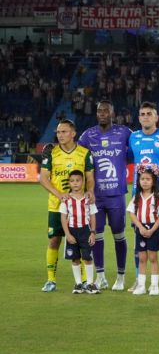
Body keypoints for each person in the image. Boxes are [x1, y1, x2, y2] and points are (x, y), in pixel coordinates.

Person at [78, 100, 132, 291]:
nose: (102, 114)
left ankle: (121, 276)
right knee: (96, 235)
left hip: (116, 194)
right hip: (95, 196)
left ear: (112, 113)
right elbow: (78, 157)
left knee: (119, 235)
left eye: (106, 111)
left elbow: (134, 154)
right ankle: (100, 276)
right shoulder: (87, 135)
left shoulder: (124, 132)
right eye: (99, 111)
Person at [39, 120, 94, 292]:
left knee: (82, 242)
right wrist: (60, 195)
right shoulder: (51, 153)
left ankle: (85, 281)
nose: (60, 135)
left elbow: (90, 177)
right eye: (58, 132)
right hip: (56, 206)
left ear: (73, 133)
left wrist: (90, 191)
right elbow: (43, 179)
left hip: (79, 208)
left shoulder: (84, 153)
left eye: (64, 131)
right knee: (54, 240)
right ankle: (51, 280)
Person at [128, 102, 159, 292]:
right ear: (138, 117)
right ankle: (139, 280)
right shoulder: (133, 137)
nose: (145, 117)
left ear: (156, 117)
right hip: (138, 197)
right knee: (138, 236)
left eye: (149, 114)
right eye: (142, 114)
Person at [126, 164, 159, 296]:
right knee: (142, 258)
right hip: (141, 229)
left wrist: (153, 229)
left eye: (148, 179)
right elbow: (132, 213)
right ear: (138, 181)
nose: (144, 181)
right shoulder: (136, 197)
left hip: (153, 229)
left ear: (153, 181)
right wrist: (140, 227)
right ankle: (141, 285)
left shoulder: (157, 198)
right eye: (142, 178)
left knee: (153, 257)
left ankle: (154, 285)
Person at [60, 170, 98, 295]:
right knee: (75, 258)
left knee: (87, 257)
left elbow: (92, 216)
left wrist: (92, 232)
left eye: (78, 180)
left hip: (85, 231)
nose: (75, 183)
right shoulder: (66, 199)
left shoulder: (88, 199)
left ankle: (90, 284)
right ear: (69, 183)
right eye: (72, 181)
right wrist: (67, 234)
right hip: (72, 231)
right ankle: (78, 283)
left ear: (83, 182)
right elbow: (63, 218)